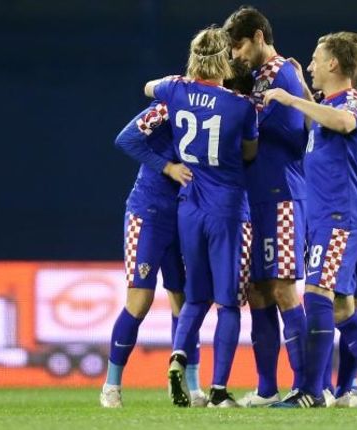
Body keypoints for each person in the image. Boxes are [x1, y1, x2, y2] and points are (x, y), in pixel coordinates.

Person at [262, 35, 357, 408]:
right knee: (342, 309)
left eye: (314, 59)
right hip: (331, 217)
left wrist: (292, 99)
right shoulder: (329, 104)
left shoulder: (353, 102)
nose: (309, 66)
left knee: (317, 296)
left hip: (340, 217)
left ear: (332, 65)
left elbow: (344, 122)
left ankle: (311, 391)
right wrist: (307, 100)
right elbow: (332, 119)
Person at [144, 26, 258, 408]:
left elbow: (149, 87)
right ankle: (219, 390)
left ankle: (178, 355)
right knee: (228, 303)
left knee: (194, 297)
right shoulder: (241, 106)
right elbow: (249, 151)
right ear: (225, 59)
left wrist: (179, 82)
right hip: (227, 209)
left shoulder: (174, 89)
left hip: (188, 206)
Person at [223, 6, 309, 407]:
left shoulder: (280, 75)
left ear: (258, 36)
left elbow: (276, 131)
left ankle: (307, 388)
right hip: (255, 199)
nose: (235, 55)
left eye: (238, 45)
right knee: (258, 292)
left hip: (281, 196)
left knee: (284, 289)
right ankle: (266, 389)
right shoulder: (257, 78)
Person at [101, 101, 206, 408]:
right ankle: (111, 385)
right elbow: (126, 138)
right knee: (139, 301)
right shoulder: (170, 104)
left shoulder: (218, 109)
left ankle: (192, 387)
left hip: (185, 214)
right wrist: (167, 166)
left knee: (184, 302)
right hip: (147, 213)